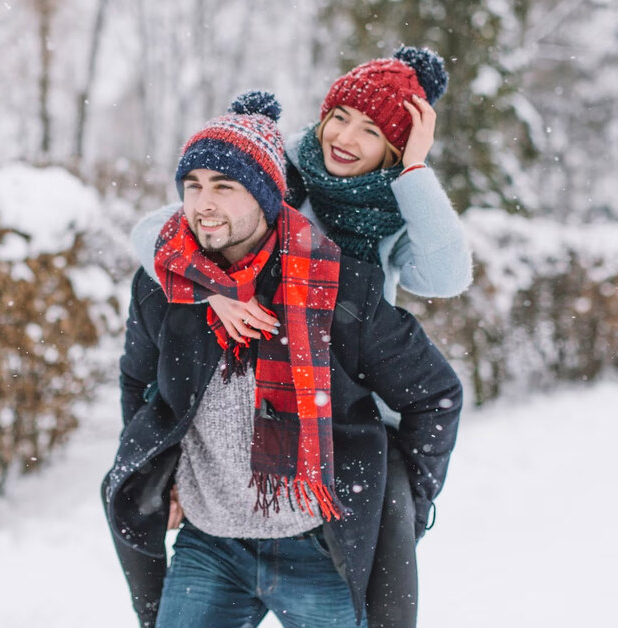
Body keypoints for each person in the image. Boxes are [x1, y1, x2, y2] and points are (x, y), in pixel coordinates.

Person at [127, 46, 470, 627]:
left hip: (337, 425)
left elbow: (446, 276)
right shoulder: (276, 170)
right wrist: (211, 284)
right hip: (229, 477)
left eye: (371, 131)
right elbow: (162, 231)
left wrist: (414, 171)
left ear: (392, 150)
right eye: (340, 117)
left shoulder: (393, 219)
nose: (345, 138)